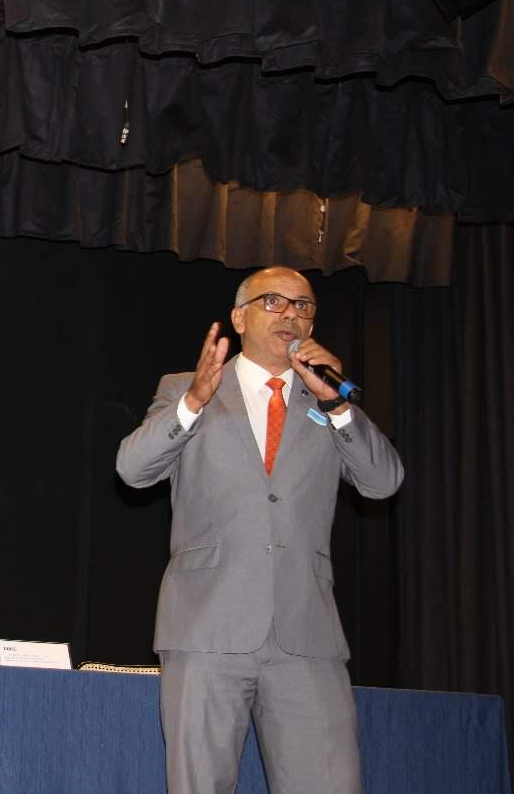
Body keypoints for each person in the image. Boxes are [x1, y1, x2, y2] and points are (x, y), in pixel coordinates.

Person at [115, 267, 403, 794]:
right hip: (206, 628)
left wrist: (338, 405)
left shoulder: (325, 399)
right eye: (274, 301)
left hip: (307, 633)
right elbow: (133, 471)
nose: (291, 314)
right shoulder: (185, 388)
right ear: (240, 317)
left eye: (304, 305)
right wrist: (194, 402)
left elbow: (383, 482)